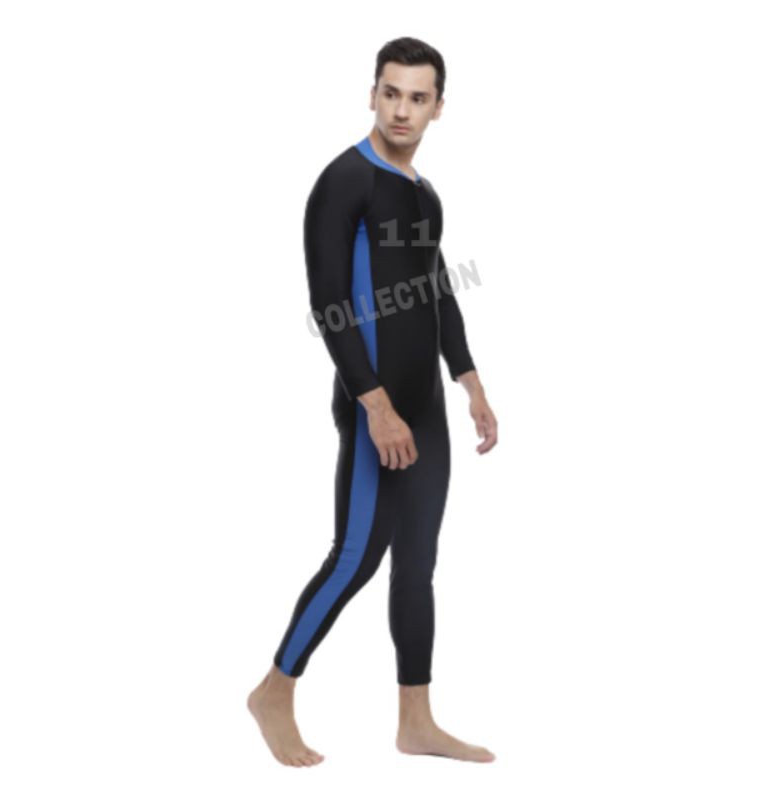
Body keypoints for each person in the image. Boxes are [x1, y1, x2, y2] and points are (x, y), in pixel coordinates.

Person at [248, 36, 498, 767]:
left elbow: (437, 290)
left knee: (417, 564)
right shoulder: (344, 182)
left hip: (428, 410)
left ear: (438, 108)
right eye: (391, 93)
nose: (401, 110)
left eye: (418, 98)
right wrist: (375, 406)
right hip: (374, 409)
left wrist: (471, 381)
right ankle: (274, 691)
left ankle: (416, 721)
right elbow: (329, 302)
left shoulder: (425, 194)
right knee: (356, 556)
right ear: (372, 94)